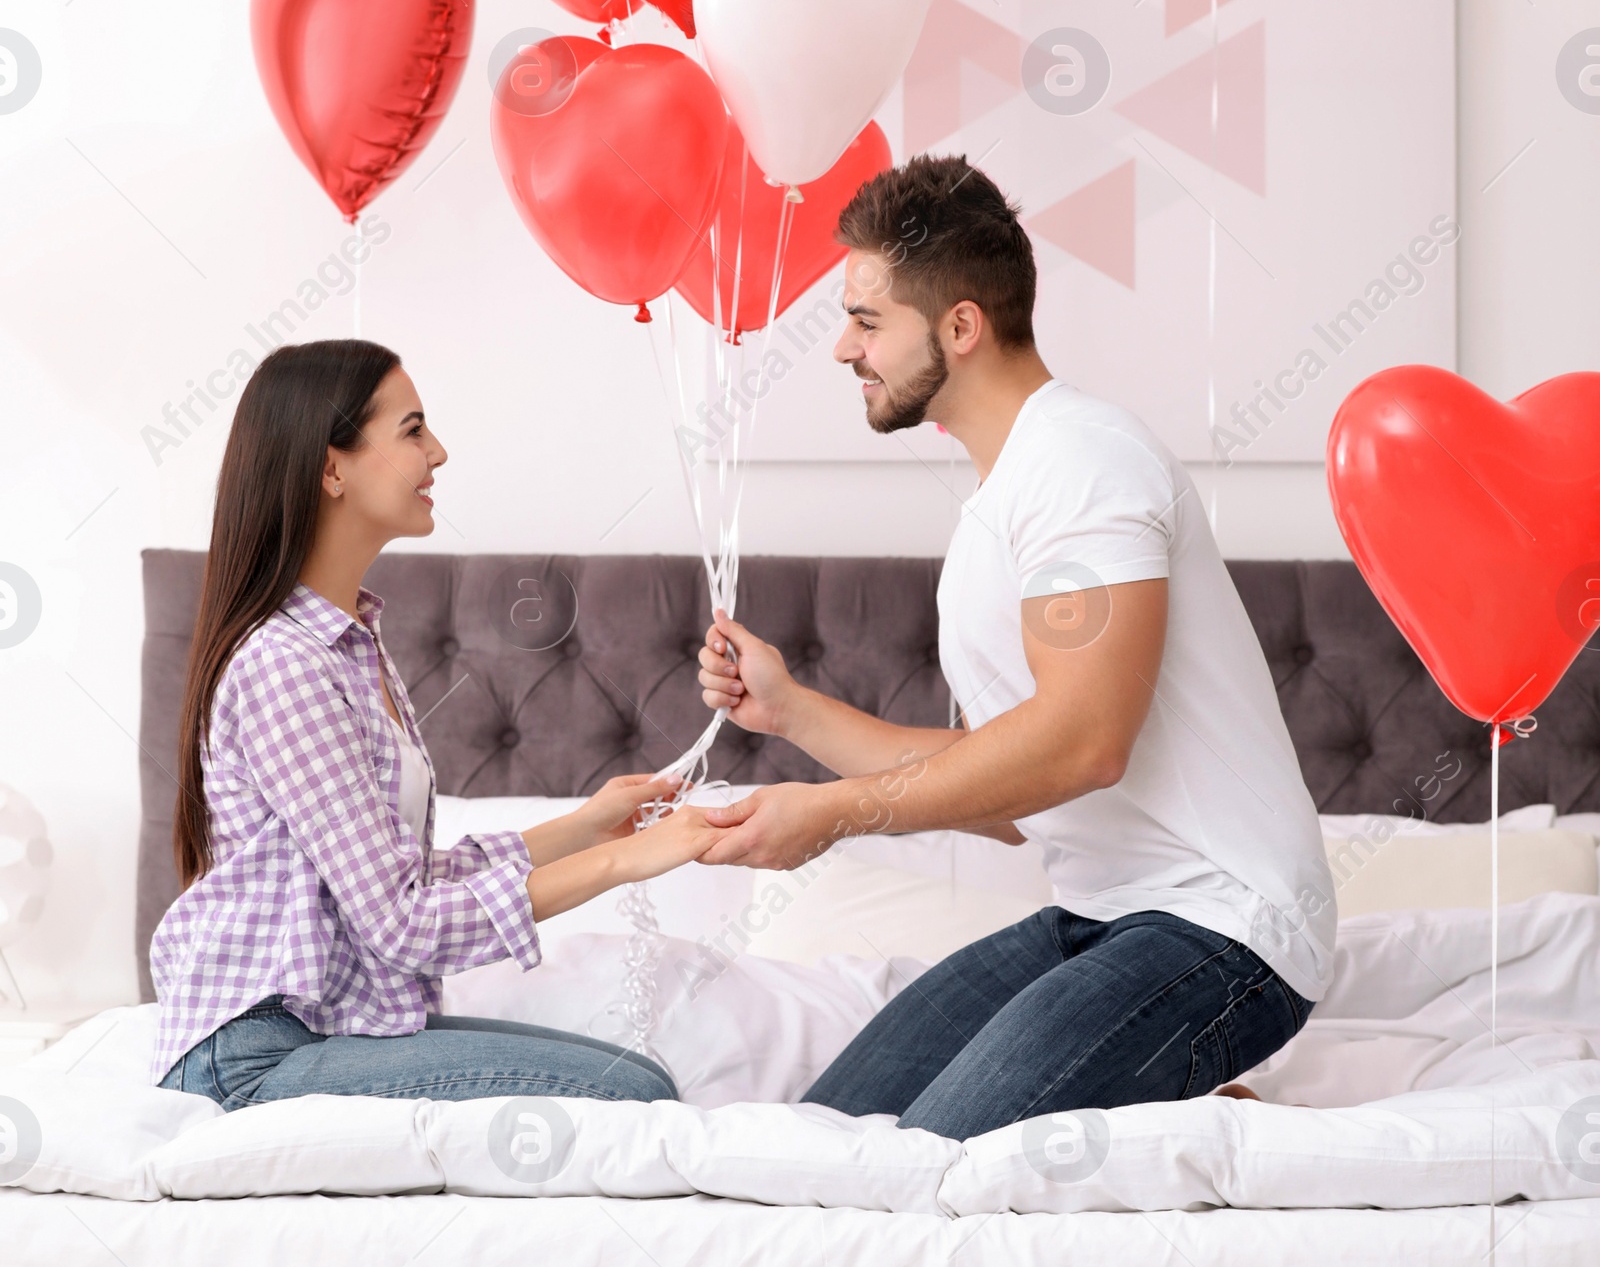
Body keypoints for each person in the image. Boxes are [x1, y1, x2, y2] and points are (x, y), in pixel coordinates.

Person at [696, 155, 1334, 1140]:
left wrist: (831, 815)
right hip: (1104, 915)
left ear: (959, 326)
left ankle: (1196, 1123)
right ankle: (1173, 1110)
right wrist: (787, 710)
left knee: (921, 1166)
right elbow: (1013, 791)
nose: (838, 348)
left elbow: (1081, 744)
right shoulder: (1005, 499)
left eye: (866, 320)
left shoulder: (1081, 462)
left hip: (1222, 929)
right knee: (821, 1139)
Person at [151, 339, 714, 1111]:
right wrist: (631, 862)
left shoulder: (353, 644)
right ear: (332, 468)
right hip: (253, 1058)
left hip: (321, 1035)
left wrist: (587, 827)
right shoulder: (288, 664)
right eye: (413, 430)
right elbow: (402, 925)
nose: (438, 452)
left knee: (642, 1082)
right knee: (635, 1093)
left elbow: (395, 882)